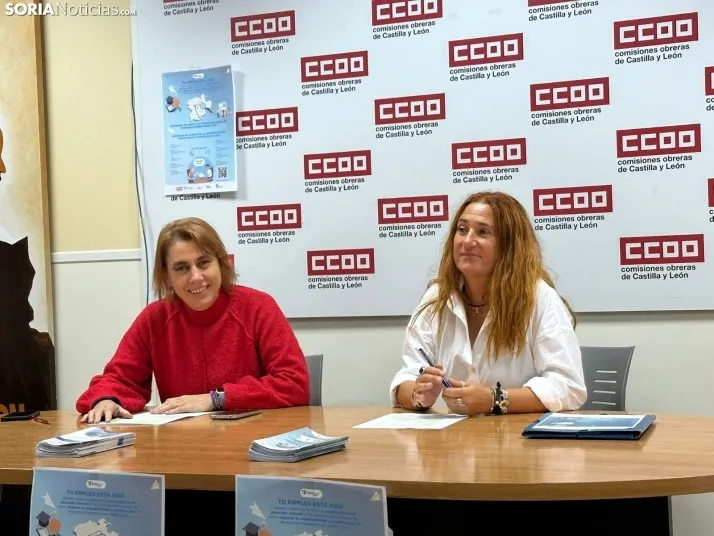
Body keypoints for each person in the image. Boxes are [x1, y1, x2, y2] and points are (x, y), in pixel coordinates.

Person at [76, 217, 310, 423]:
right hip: (183, 445)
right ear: (167, 276)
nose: (196, 277)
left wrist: (216, 399)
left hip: (253, 442)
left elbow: (294, 384)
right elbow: (119, 379)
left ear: (221, 263)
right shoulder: (154, 318)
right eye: (182, 268)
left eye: (204, 262)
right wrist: (107, 399)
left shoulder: (258, 306)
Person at [389, 191, 586, 416]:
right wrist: (418, 394)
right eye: (462, 230)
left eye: (483, 232)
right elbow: (407, 376)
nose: (467, 241)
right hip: (455, 435)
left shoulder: (539, 298)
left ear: (509, 246)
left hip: (519, 435)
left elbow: (568, 386)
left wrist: (495, 399)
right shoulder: (437, 298)